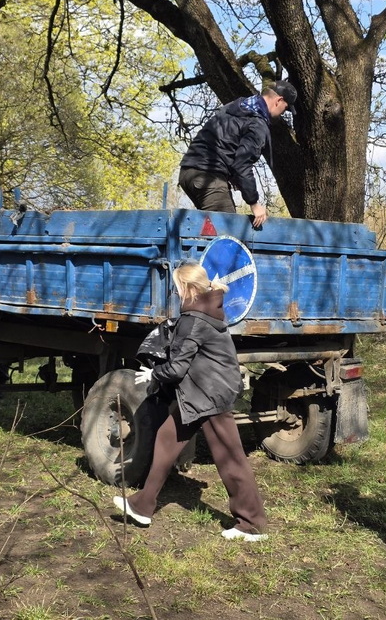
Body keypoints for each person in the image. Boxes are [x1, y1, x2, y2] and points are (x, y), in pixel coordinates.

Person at [114, 262, 268, 541]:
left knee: (230, 458)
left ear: (187, 288)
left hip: (209, 394)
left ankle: (251, 524)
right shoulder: (208, 311)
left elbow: (176, 368)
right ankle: (143, 505)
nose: (175, 292)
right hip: (203, 391)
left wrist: (153, 373)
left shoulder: (194, 320)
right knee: (166, 439)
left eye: (177, 287)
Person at [178, 80, 297, 230]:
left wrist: (233, 177)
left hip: (187, 172)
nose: (282, 115)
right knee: (229, 236)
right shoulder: (257, 123)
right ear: (279, 101)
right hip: (208, 176)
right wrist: (254, 204)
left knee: (211, 233)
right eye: (285, 109)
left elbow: (224, 142)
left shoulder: (237, 106)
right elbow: (242, 163)